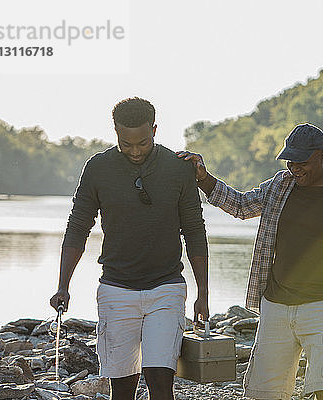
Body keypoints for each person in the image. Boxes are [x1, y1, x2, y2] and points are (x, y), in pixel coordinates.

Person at [178, 123, 323, 400]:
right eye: (290, 161)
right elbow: (241, 206)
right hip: (275, 306)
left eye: (301, 162)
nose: (295, 168)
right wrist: (204, 179)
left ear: (322, 156)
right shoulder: (280, 186)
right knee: (264, 393)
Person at [50, 97, 209, 400]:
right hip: (115, 290)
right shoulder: (98, 168)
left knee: (160, 380)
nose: (135, 151)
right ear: (115, 133)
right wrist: (63, 286)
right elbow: (77, 227)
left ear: (155, 130)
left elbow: (194, 231)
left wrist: (203, 292)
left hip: (166, 288)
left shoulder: (179, 168)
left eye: (143, 143)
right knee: (121, 388)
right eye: (126, 144)